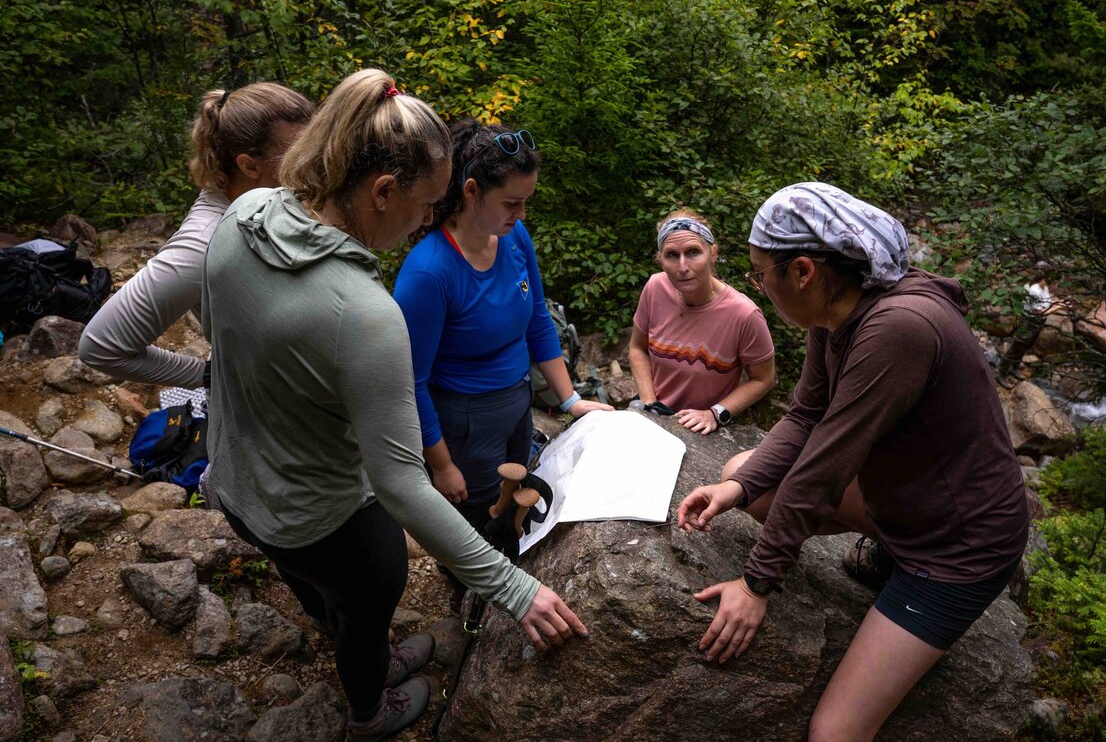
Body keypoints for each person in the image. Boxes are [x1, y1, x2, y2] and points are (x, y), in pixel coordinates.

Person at [201, 71, 588, 741]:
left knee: (336, 602)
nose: (427, 222)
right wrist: (516, 590)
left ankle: (370, 649)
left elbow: (224, 340)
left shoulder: (245, 215)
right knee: (364, 603)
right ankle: (367, 711)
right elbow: (402, 486)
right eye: (425, 205)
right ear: (382, 192)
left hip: (236, 484)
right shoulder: (364, 313)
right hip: (325, 515)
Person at [675, 182, 1029, 741]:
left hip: (959, 547)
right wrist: (739, 492)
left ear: (804, 272)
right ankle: (886, 547)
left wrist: (756, 584)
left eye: (760, 274)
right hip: (912, 500)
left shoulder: (897, 328)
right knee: (741, 474)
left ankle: (902, 565)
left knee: (834, 732)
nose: (758, 288)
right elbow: (806, 415)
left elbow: (824, 467)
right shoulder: (838, 310)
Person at [392, 119, 611, 539]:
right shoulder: (429, 273)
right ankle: (474, 595)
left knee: (515, 497)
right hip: (464, 422)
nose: (523, 214)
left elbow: (537, 319)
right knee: (478, 518)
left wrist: (570, 401)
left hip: (518, 403)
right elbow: (410, 382)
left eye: (526, 202)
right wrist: (440, 464)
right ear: (471, 191)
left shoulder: (514, 236)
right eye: (512, 203)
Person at [80, 83, 314, 385]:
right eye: (298, 151)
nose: (314, 160)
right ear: (249, 165)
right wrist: (213, 377)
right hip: (261, 417)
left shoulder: (269, 199)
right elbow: (101, 347)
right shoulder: (204, 243)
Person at [628, 209, 775, 434]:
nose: (683, 266)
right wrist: (650, 405)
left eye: (693, 252)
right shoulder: (655, 289)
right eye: (672, 255)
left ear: (712, 253)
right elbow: (638, 347)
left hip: (703, 425)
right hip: (654, 410)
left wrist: (716, 413)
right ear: (660, 259)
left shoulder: (744, 315)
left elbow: (763, 378)